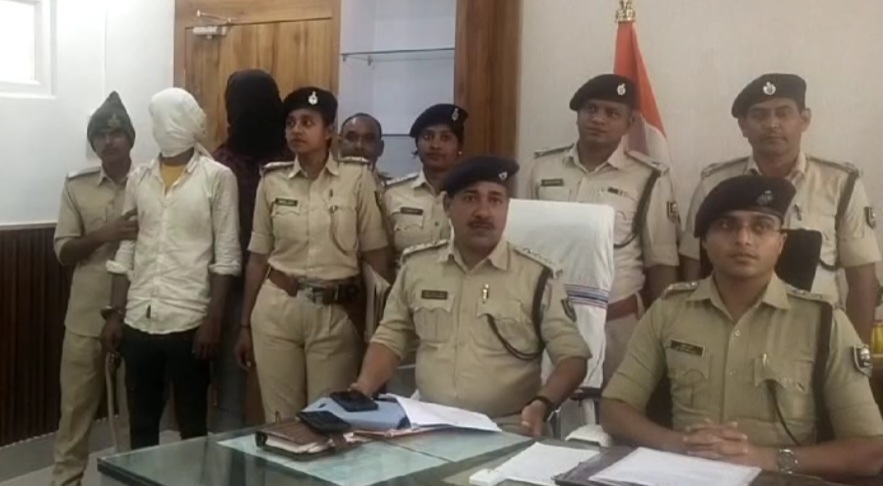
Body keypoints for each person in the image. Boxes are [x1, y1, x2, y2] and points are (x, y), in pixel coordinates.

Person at [601, 175, 883, 478]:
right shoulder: (669, 311)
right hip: (687, 476)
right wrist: (677, 444)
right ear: (704, 242)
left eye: (761, 227)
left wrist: (768, 458)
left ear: (781, 243)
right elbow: (614, 409)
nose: (743, 239)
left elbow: (870, 451)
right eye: (726, 226)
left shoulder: (824, 322)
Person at [353, 156, 591, 437]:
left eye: (495, 200)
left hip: (508, 427)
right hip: (429, 423)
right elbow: (390, 338)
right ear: (447, 206)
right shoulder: (418, 267)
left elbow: (572, 357)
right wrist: (362, 389)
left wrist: (542, 403)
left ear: (507, 208)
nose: (483, 212)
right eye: (470, 198)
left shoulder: (538, 276)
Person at [680, 73, 880, 344]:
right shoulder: (714, 184)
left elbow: (863, 282)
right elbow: (692, 273)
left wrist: (856, 355)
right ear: (743, 126)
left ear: (804, 120)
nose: (772, 124)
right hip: (731, 337)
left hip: (815, 338)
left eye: (783, 113)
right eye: (759, 115)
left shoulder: (840, 185)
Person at [233, 87, 391, 420]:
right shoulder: (272, 180)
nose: (297, 130)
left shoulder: (357, 178)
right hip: (277, 308)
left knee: (328, 418)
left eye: (307, 122)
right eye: (291, 123)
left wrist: (378, 327)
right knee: (280, 418)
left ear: (329, 131)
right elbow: (258, 257)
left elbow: (375, 254)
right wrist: (244, 324)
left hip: (335, 311)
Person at [101, 88, 241, 449]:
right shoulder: (140, 177)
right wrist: (115, 313)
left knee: (192, 426)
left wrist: (213, 320)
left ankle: (192, 476)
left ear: (179, 121)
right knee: (142, 425)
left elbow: (227, 256)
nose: (156, 127)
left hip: (190, 321)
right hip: (139, 318)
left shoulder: (217, 177)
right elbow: (128, 246)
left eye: (160, 119)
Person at [522, 74, 680, 379]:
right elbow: (522, 244)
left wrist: (664, 330)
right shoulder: (542, 167)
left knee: (616, 404)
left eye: (611, 113)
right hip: (546, 320)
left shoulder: (648, 177)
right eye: (591, 109)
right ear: (578, 115)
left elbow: (661, 262)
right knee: (546, 402)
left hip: (617, 323)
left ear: (630, 123)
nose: (598, 119)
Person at [51, 92, 136, 486]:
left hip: (137, 314)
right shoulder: (77, 186)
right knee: (74, 414)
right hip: (85, 318)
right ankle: (66, 481)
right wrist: (106, 233)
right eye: (100, 134)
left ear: (130, 138)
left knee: (135, 415)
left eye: (116, 133)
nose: (108, 141)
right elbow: (63, 251)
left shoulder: (150, 182)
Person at [212, 69, 288, 430]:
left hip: (287, 288)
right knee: (231, 386)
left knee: (281, 390)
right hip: (232, 289)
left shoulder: (293, 161)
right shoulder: (218, 165)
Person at [383, 103, 468, 260]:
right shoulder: (393, 194)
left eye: (445, 138)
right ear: (417, 144)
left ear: (459, 146)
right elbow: (383, 256)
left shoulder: (472, 196)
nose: (435, 145)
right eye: (427, 137)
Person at [338, 112, 389, 182]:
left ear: (380, 148)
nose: (359, 146)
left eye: (368, 139)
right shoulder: (324, 185)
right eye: (351, 138)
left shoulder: (392, 188)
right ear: (339, 144)